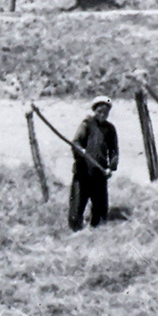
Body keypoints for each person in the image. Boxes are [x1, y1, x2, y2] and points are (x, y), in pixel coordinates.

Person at [69, 97, 120, 230]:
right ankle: (75, 229)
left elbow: (114, 150)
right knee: (77, 205)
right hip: (83, 171)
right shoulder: (86, 124)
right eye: (100, 111)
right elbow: (76, 143)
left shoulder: (110, 129)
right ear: (95, 110)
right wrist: (81, 151)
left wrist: (111, 168)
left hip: (100, 172)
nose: (102, 115)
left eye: (105, 112)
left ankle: (96, 231)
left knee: (100, 209)